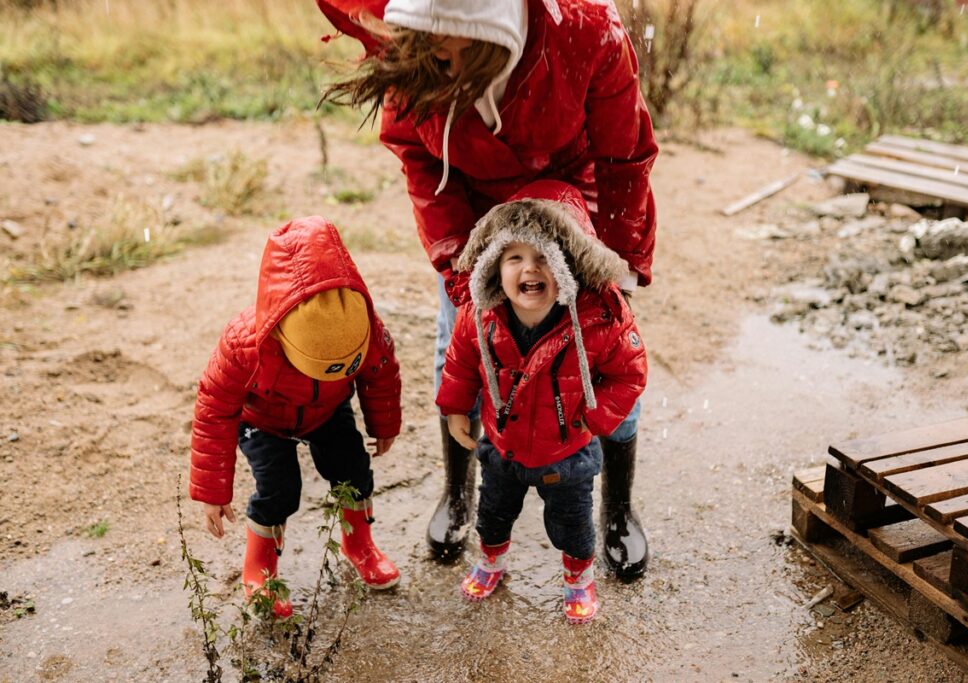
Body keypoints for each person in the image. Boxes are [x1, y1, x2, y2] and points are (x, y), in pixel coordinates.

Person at [317, 0, 657, 579]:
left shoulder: (587, 29)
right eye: (432, 48)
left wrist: (615, 266)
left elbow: (624, 155)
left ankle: (618, 507)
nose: (442, 60)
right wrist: (459, 267)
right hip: (472, 208)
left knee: (602, 344)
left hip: (572, 201)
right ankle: (459, 492)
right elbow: (417, 153)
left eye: (459, 49)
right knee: (459, 339)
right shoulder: (413, 48)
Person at [436, 180, 647, 623]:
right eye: (514, 258)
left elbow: (629, 372)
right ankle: (491, 560)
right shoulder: (479, 315)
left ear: (570, 267)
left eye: (544, 258)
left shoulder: (599, 320)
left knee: (573, 526)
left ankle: (579, 577)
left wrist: (596, 417)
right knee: (493, 515)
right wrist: (456, 408)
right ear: (494, 266)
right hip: (502, 447)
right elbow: (460, 362)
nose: (529, 269)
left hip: (568, 454)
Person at [189, 216, 403, 618]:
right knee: (279, 487)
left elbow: (381, 372)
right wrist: (212, 492)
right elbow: (214, 410)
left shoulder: (364, 325)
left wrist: (384, 425)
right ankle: (260, 568)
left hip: (328, 410)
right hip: (263, 420)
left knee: (353, 469)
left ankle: (359, 545)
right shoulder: (243, 344)